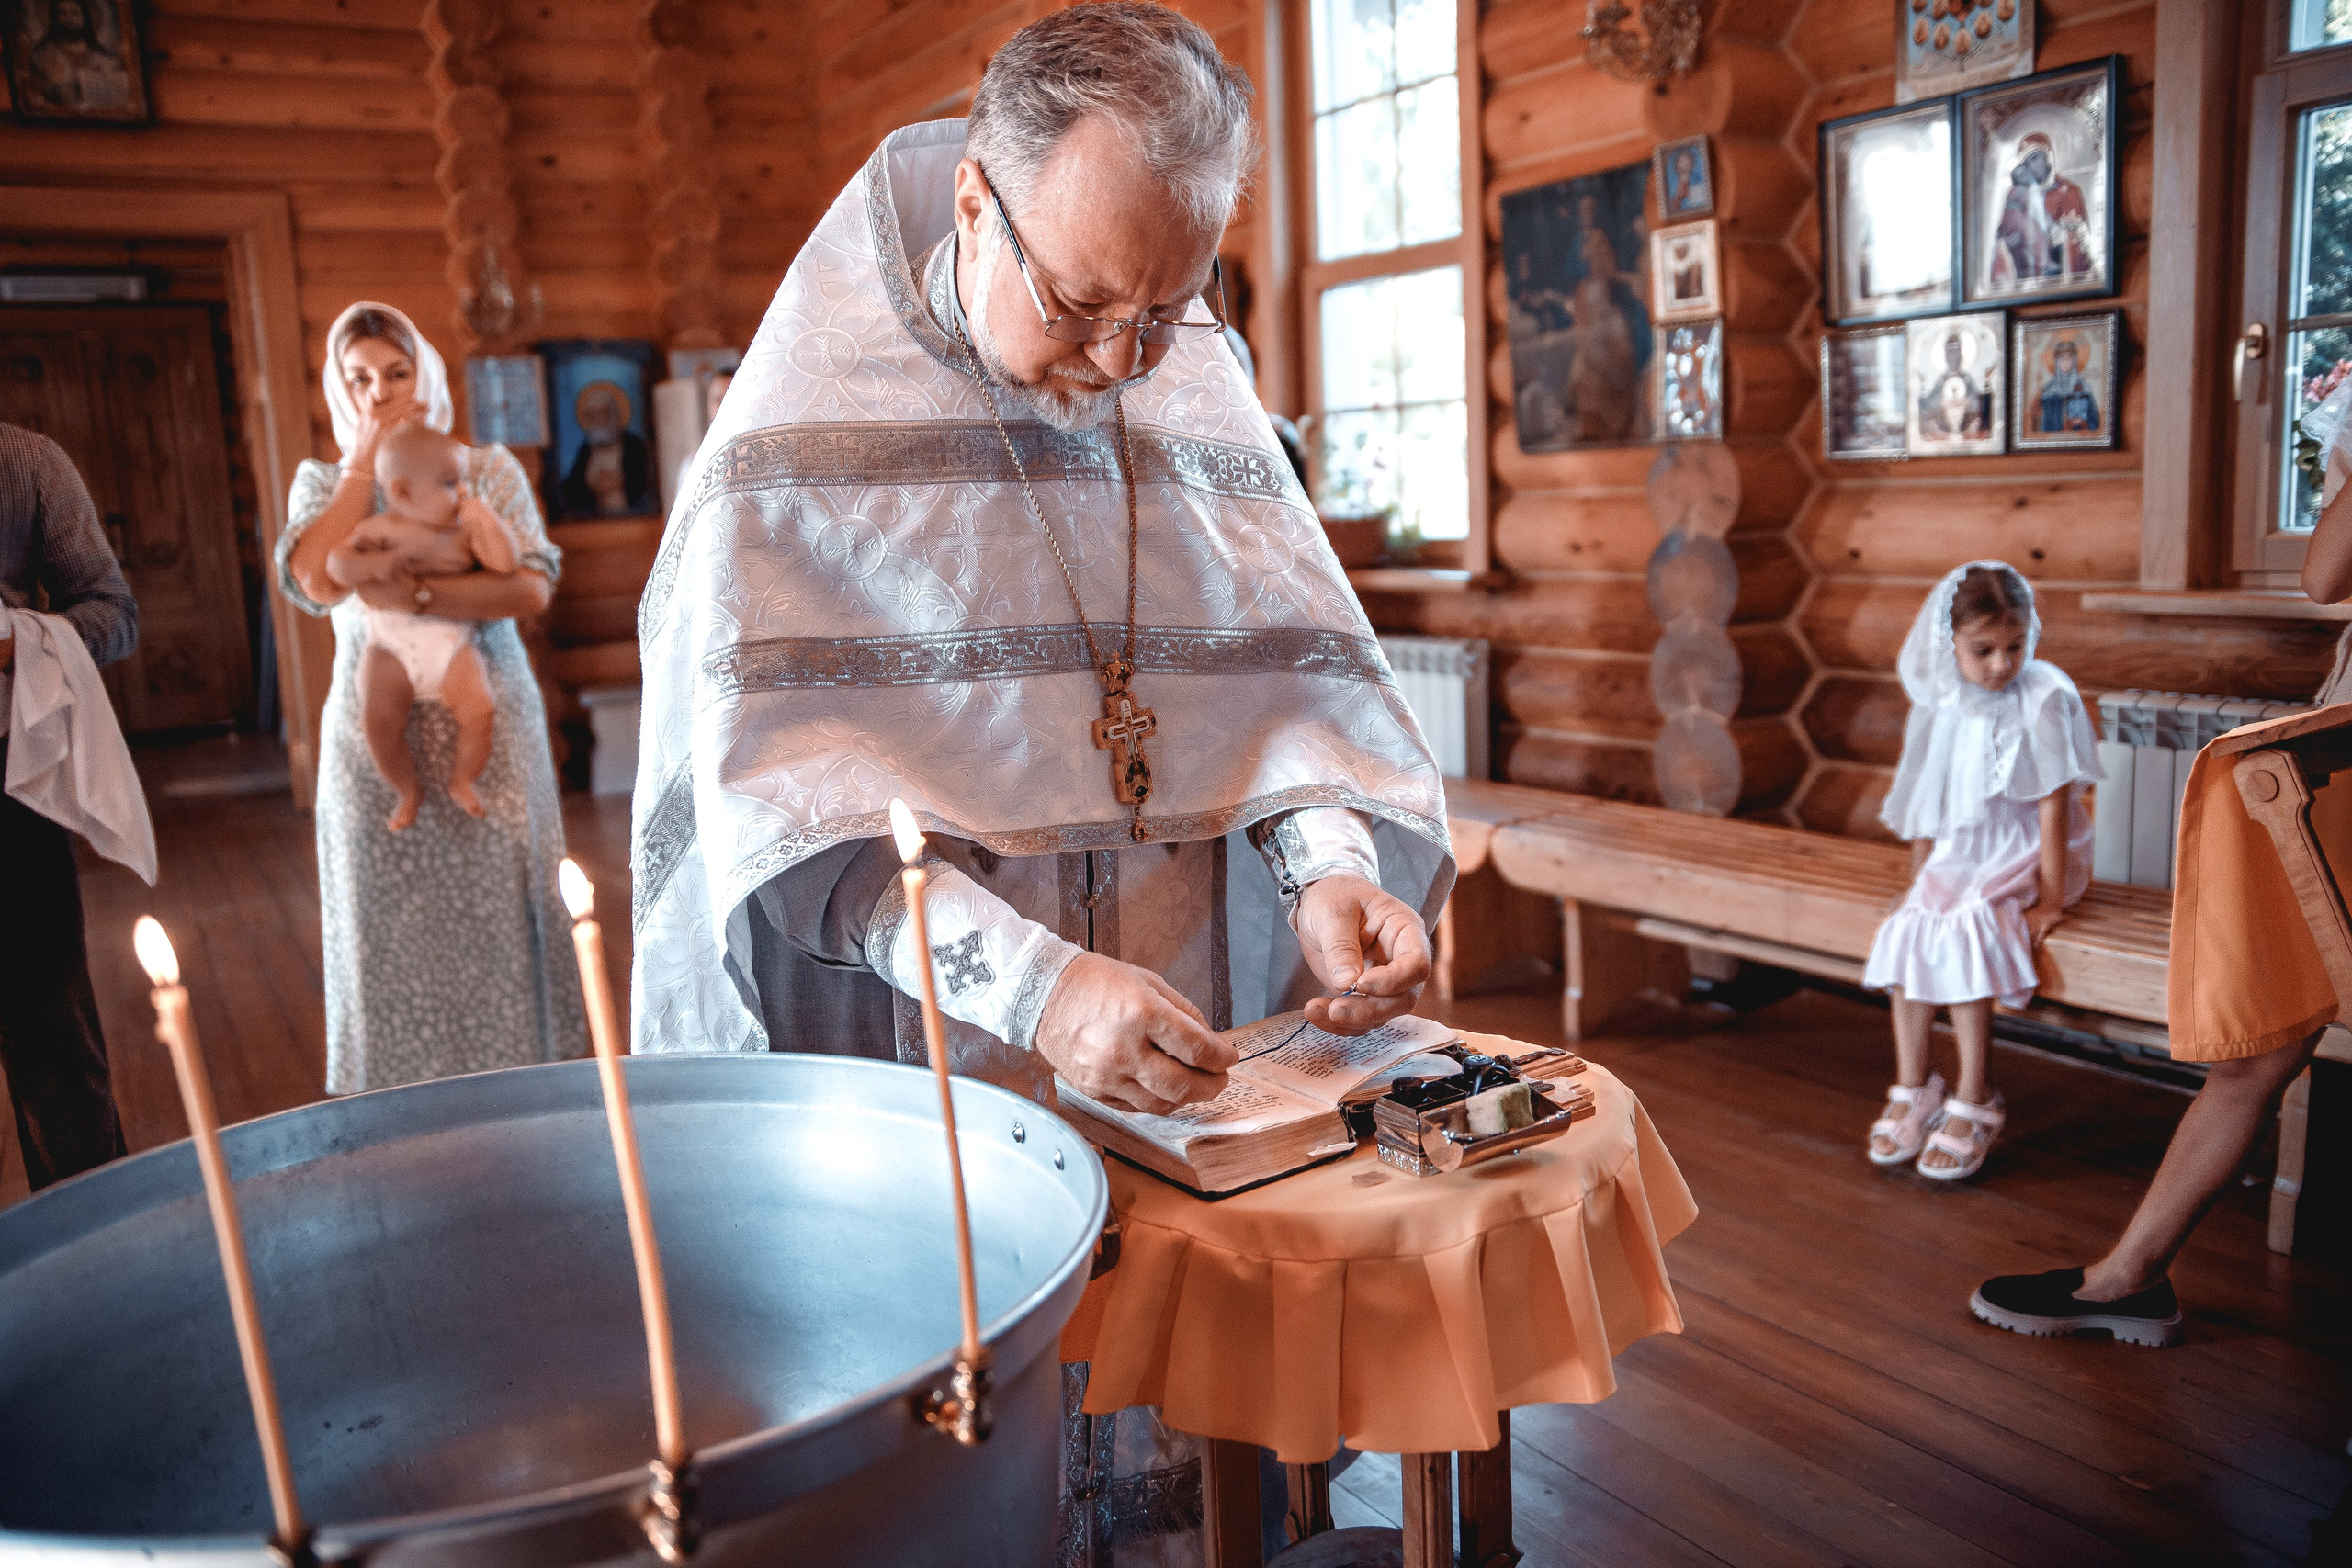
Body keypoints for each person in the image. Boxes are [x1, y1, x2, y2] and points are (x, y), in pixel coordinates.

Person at [629, 6, 1451, 1558]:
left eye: (1171, 309)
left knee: (1197, 1479)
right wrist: (1039, 987)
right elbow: (786, 832)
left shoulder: (1183, 376)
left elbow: (1272, 684)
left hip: (1192, 1028)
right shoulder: (789, 446)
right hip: (938, 1044)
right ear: (973, 204)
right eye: (1082, 305)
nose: (1126, 360)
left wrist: (1324, 864)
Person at [1971, 382, 2352, 1346]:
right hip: (2340, 753)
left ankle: (2127, 1279)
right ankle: (2126, 1278)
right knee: (2263, 1043)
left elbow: (2322, 576)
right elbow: (2330, 564)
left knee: (2266, 1042)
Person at [277, 300, 586, 1095]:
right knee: (387, 927)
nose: (378, 392)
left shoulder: (482, 470)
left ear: (427, 374)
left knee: (507, 918)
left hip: (489, 730)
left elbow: (528, 588)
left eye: (396, 372)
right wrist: (363, 464)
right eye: (358, 379)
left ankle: (534, 1101)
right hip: (376, 745)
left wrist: (412, 593)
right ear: (338, 388)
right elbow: (314, 581)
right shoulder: (324, 482)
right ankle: (396, 1115)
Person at [1862, 562, 2100, 1180]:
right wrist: (1920, 883)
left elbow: (2054, 805)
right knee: (1911, 927)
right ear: (1951, 645)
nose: (2002, 664)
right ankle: (1914, 1085)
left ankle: (1976, 1094)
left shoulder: (2045, 695)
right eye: (1983, 650)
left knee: (1967, 929)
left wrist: (2051, 899)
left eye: (2015, 645)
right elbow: (1929, 803)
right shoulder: (1943, 699)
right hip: (1962, 848)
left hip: (2025, 847)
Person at [0, 423, 140, 1190]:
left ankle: (100, 1246)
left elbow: (114, 613)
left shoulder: (25, 461)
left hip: (9, 789)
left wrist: (15, 645)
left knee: (56, 1055)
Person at [327, 423, 521, 829]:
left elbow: (506, 565)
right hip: (390, 645)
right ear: (402, 493)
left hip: (452, 643)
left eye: (464, 482)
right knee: (377, 720)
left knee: (481, 710)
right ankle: (407, 789)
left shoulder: (464, 533)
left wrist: (486, 521)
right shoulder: (380, 531)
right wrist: (374, 565)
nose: (463, 492)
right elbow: (337, 566)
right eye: (450, 483)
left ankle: (463, 779)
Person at [1993, 131, 2094, 288]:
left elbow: (2080, 238)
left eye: (2034, 158)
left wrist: (2062, 235)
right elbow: (2004, 232)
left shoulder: (2068, 191)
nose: (2031, 166)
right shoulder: (2020, 194)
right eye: (2026, 163)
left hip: (2057, 277)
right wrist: (2007, 240)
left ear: (2048, 157)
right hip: (2027, 277)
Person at [558, 381, 651, 517]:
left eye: (604, 412)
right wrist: (593, 487)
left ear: (615, 414)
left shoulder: (634, 447)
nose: (598, 421)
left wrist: (618, 481)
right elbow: (572, 490)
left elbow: (642, 484)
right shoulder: (585, 451)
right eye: (591, 415)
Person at [2034, 337, 2101, 434]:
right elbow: (2045, 424)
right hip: (2054, 440)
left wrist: (2082, 422)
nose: (2065, 362)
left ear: (2074, 361)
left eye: (2069, 358)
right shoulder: (2048, 390)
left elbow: (2093, 420)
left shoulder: (2084, 388)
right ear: (2057, 362)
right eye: (2062, 359)